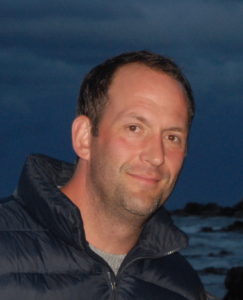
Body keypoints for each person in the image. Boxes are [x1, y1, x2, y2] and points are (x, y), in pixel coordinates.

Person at [0, 51, 208, 299]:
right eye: (134, 128)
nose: (156, 156)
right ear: (84, 138)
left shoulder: (180, 285)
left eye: (172, 137)